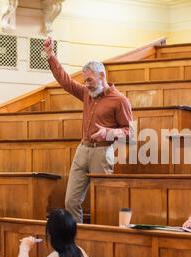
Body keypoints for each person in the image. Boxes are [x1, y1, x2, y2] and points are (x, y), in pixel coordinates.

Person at [43, 37, 133, 223]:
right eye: (85, 81)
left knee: (104, 201)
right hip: (82, 150)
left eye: (90, 80)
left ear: (102, 76)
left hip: (102, 151)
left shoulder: (120, 100)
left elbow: (129, 132)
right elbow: (65, 81)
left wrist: (108, 133)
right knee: (71, 201)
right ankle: (77, 242)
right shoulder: (87, 93)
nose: (87, 84)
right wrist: (51, 55)